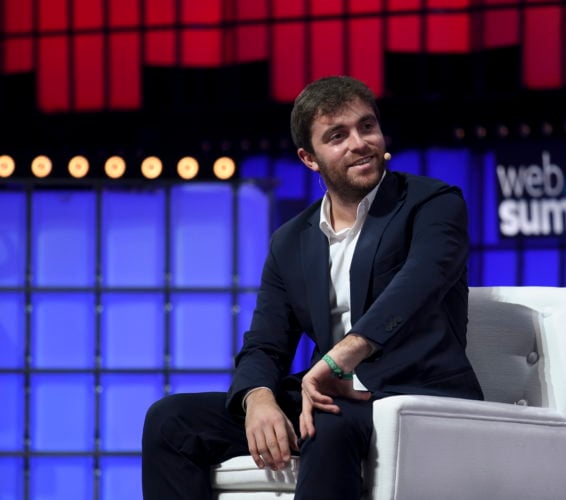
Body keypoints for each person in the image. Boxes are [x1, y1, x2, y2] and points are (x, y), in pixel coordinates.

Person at [141, 75, 484, 500]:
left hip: (415, 390)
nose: (359, 143)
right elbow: (265, 343)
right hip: (329, 395)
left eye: (367, 126)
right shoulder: (291, 240)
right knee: (170, 421)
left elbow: (418, 286)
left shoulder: (432, 203)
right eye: (338, 136)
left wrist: (339, 359)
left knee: (323, 416)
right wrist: (258, 399)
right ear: (310, 158)